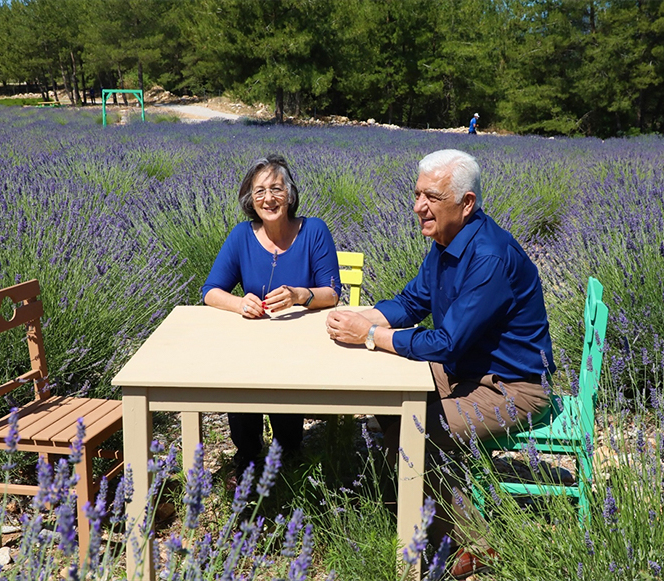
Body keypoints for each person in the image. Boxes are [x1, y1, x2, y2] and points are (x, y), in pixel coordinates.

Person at [325, 149, 554, 579]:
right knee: (386, 398)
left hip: (512, 386)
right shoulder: (446, 242)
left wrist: (372, 337)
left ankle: (472, 543)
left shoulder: (487, 257)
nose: (418, 207)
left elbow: (446, 342)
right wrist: (361, 319)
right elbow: (413, 302)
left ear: (466, 204)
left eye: (431, 197)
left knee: (414, 434)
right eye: (417, 195)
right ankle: (425, 502)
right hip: (469, 368)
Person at [202, 154, 341, 477]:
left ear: (289, 194)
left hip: (301, 345)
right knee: (240, 383)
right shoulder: (241, 236)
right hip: (253, 344)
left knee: (285, 392)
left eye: (276, 189)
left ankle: (288, 455)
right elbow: (211, 290)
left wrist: (299, 295)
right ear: (250, 199)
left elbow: (332, 293)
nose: (269, 198)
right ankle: (247, 459)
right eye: (260, 191)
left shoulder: (314, 231)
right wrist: (239, 304)